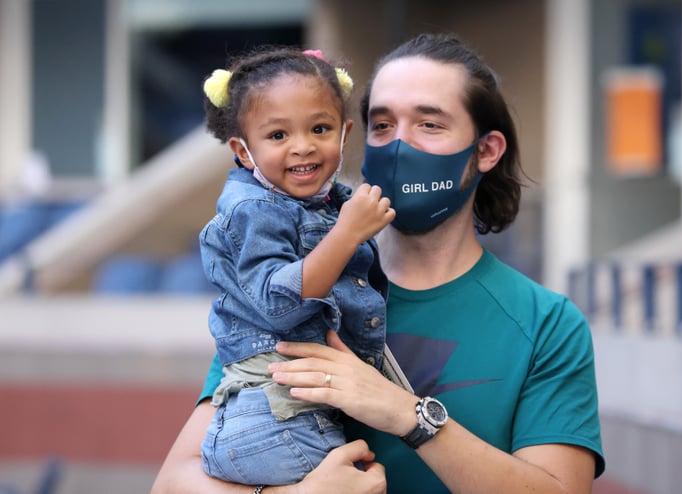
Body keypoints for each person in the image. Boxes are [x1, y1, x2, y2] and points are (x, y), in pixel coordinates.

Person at [152, 32, 604, 494]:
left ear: (485, 150)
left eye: (429, 124)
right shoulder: (289, 292)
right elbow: (171, 485)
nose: (399, 146)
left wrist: (404, 413)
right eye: (383, 126)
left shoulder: (547, 323)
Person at [196, 46, 395, 487]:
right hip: (275, 419)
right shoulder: (253, 209)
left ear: (344, 135)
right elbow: (278, 303)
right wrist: (347, 234)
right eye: (278, 135)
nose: (302, 146)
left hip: (289, 413)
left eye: (319, 128)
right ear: (244, 152)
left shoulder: (321, 202)